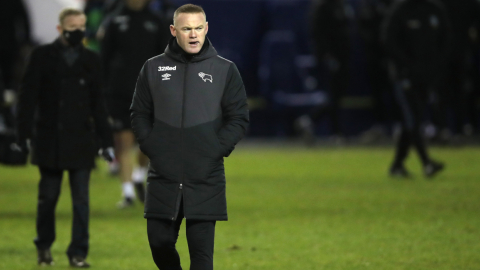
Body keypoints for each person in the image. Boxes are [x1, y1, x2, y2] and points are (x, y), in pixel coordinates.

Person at [130, 4, 249, 269]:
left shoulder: (225, 70)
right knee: (159, 243)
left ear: (206, 29)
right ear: (174, 31)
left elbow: (239, 117)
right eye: (186, 29)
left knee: (202, 258)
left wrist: (215, 149)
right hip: (164, 175)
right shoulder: (152, 68)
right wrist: (152, 146)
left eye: (198, 28)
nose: (193, 34)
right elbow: (139, 113)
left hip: (205, 177)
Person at [15, 8, 114, 267]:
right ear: (60, 29)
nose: (79, 31)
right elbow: (27, 99)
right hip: (50, 139)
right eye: (73, 27)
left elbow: (98, 104)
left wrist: (106, 142)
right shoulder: (41, 57)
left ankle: (78, 252)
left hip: (82, 139)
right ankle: (44, 247)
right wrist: (23, 135)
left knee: (81, 201)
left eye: (82, 26)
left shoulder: (91, 60)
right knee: (47, 198)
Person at [100, 0, 170, 208]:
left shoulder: (158, 22)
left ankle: (139, 175)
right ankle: (128, 193)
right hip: (119, 91)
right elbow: (105, 59)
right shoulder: (113, 22)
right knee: (123, 140)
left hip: (150, 90)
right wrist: (103, 90)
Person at [382, 0, 451, 178]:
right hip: (405, 75)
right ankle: (426, 162)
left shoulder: (435, 9)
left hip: (427, 76)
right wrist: (406, 66)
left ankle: (397, 165)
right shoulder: (400, 10)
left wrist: (436, 67)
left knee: (413, 119)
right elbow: (389, 41)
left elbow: (445, 40)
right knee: (413, 115)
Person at [295, 0, 352, 145]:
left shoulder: (340, 5)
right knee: (333, 94)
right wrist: (327, 56)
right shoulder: (322, 7)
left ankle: (310, 121)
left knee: (336, 96)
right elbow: (318, 34)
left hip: (343, 56)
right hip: (331, 58)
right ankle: (334, 131)